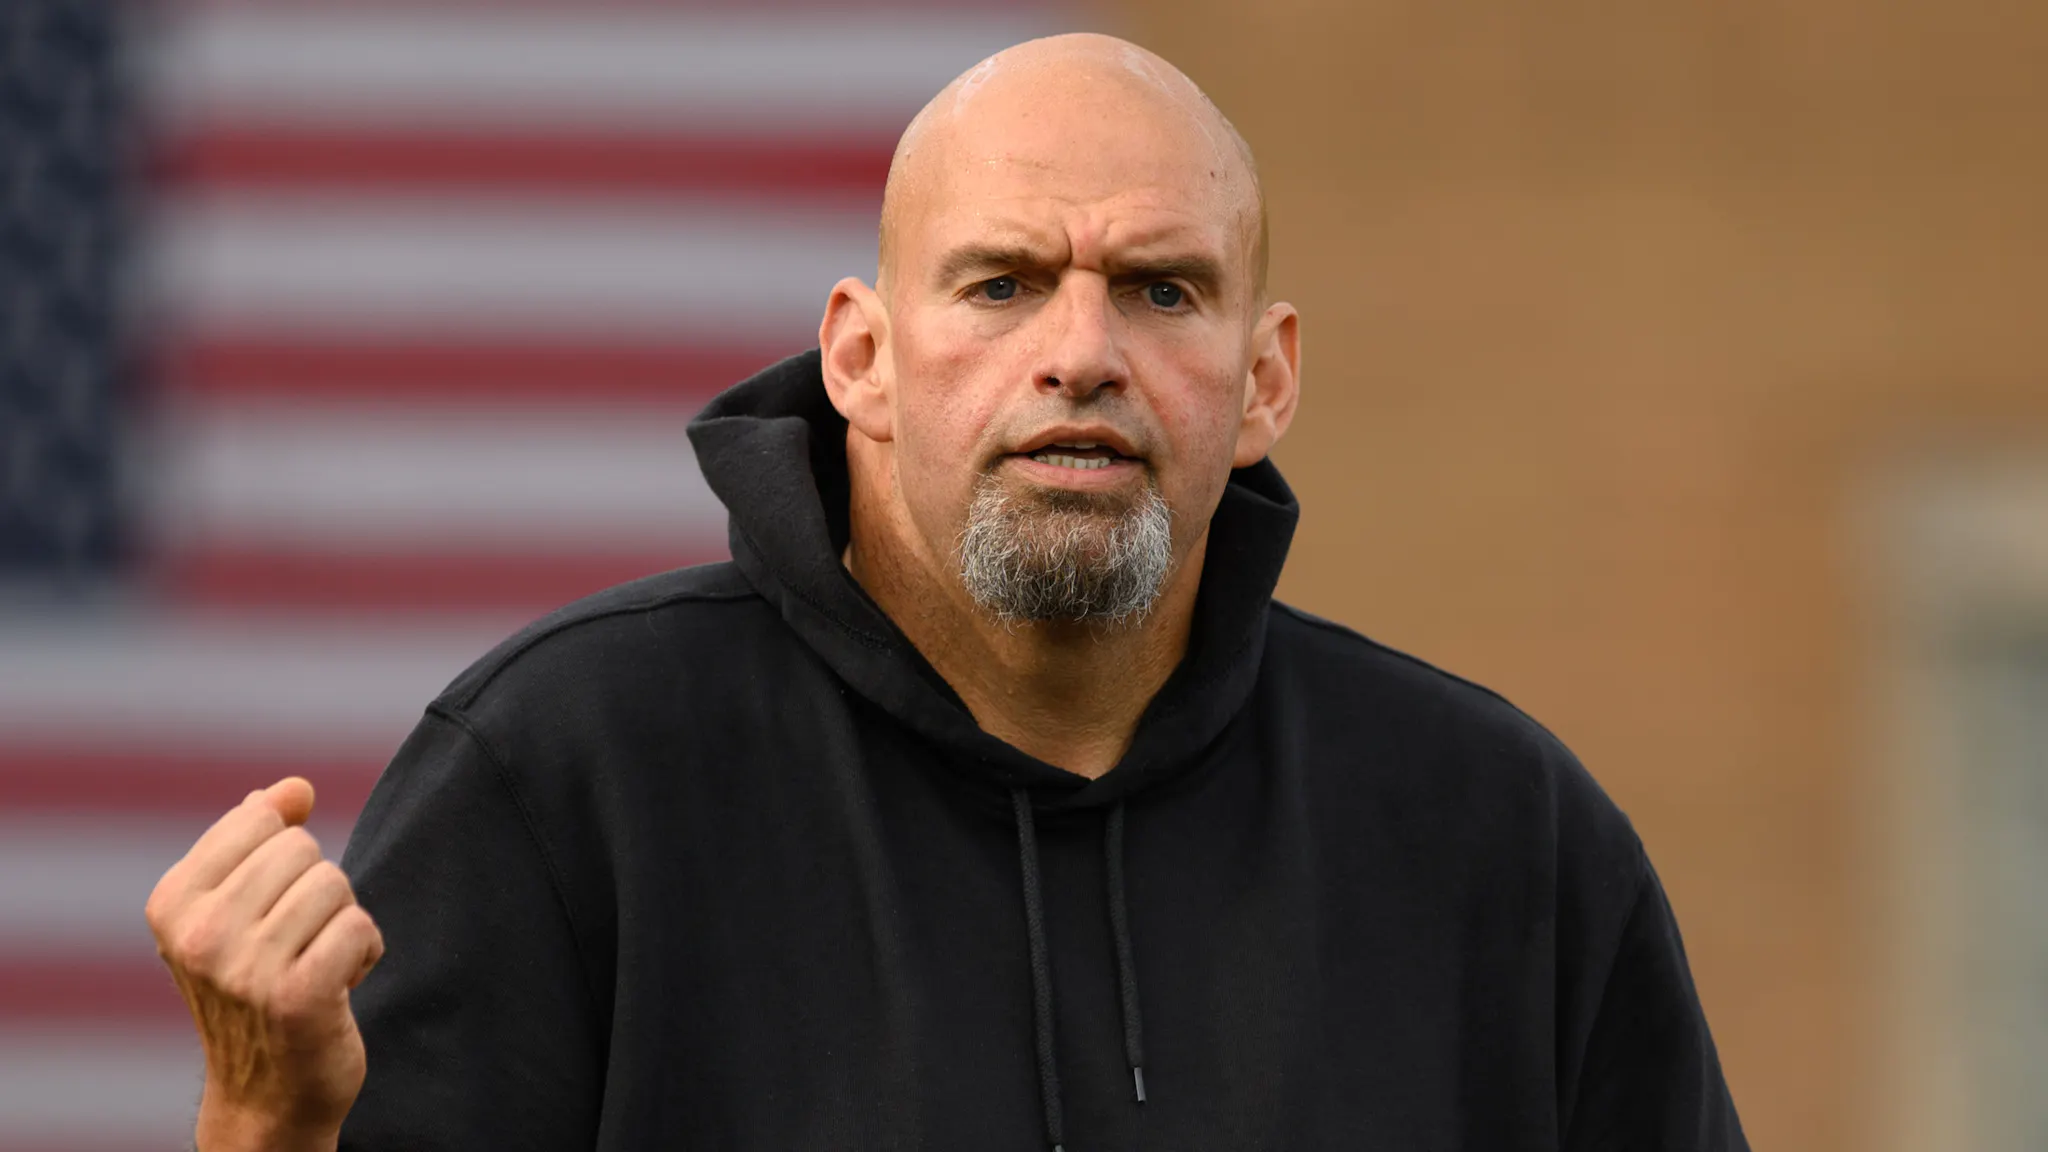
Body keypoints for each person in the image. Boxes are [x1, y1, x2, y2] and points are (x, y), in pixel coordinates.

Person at [145, 32, 1748, 1152]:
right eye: (1000, 283)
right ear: (863, 358)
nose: (1080, 352)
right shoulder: (564, 777)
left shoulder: (1496, 838)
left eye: (1160, 289)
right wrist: (265, 1131)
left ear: (1264, 379)